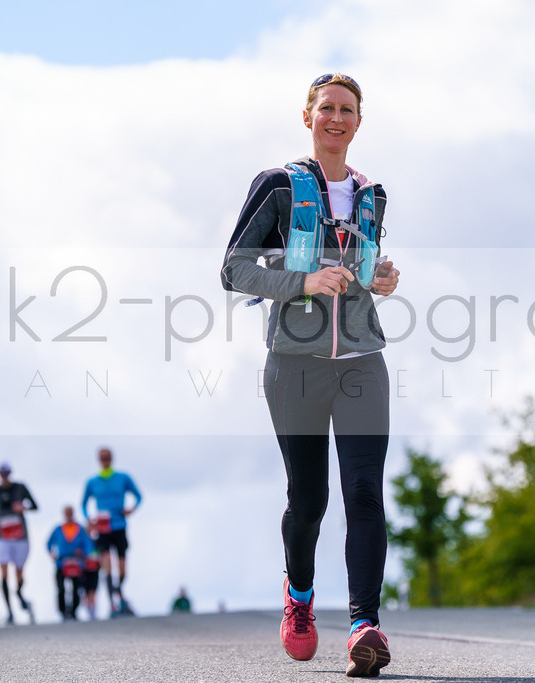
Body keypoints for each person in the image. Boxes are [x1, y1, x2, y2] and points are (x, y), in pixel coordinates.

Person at [220, 72, 400, 678]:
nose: (337, 118)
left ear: (358, 121)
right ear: (308, 116)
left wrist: (380, 279)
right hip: (294, 366)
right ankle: (299, 600)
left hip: (361, 361)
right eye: (327, 108)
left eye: (347, 110)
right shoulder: (278, 186)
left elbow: (364, 268)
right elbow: (234, 269)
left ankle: (363, 626)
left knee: (365, 493)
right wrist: (301, 281)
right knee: (310, 498)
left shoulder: (373, 195)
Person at [81, 447, 142, 617]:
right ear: (98, 460)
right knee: (108, 567)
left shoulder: (123, 478)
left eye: (107, 456)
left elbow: (139, 496)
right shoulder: (92, 482)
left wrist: (131, 509)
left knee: (122, 570)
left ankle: (119, 592)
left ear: (112, 458)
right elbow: (83, 503)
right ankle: (112, 605)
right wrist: (89, 519)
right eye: (102, 457)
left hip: (120, 526)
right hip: (102, 528)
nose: (105, 459)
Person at [0, 461, 38, 625]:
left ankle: (20, 595)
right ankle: (9, 611)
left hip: (20, 536)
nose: (4, 476)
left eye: (6, 473)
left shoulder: (20, 487)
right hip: (3, 535)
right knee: (3, 573)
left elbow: (35, 506)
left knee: (19, 574)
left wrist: (23, 508)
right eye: (2, 473)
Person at [46, 505, 93, 621]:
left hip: (77, 563)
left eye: (70, 513)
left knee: (76, 588)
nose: (69, 516)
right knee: (61, 588)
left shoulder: (80, 529)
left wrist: (83, 553)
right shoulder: (58, 529)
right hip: (61, 563)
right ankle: (62, 611)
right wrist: (51, 553)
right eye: (67, 513)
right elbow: (48, 543)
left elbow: (88, 544)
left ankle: (73, 611)